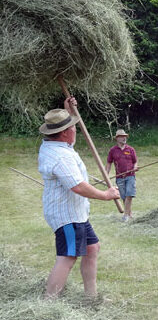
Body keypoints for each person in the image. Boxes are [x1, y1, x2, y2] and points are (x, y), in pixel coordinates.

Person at [38, 98, 120, 300]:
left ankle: (91, 298)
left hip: (76, 213)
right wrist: (106, 195)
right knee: (68, 256)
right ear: (65, 133)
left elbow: (70, 137)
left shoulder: (56, 144)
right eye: (72, 127)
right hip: (67, 215)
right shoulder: (60, 156)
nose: (75, 129)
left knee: (92, 248)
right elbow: (78, 186)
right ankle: (49, 303)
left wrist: (69, 110)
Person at [105, 129, 138, 221]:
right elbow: (108, 163)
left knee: (129, 195)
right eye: (122, 136)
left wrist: (135, 167)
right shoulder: (113, 151)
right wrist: (106, 176)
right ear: (117, 138)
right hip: (120, 177)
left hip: (130, 175)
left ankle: (126, 215)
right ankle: (129, 213)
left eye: (125, 136)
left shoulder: (130, 149)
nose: (124, 138)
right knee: (124, 197)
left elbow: (135, 162)